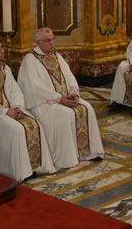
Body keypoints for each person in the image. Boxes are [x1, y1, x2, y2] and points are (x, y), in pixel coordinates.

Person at [0, 38, 55, 182]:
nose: (3, 51)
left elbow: (15, 91)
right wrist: (4, 112)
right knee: (18, 130)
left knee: (35, 124)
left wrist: (17, 107)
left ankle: (36, 167)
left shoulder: (5, 68)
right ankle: (21, 172)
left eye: (1, 48)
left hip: (11, 110)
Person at [17, 28, 104, 169]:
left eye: (53, 39)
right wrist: (59, 99)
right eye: (47, 40)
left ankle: (88, 152)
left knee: (87, 107)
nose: (52, 43)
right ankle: (68, 158)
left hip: (64, 98)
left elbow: (69, 76)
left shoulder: (56, 55)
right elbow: (34, 88)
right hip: (43, 103)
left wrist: (74, 93)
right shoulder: (30, 60)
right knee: (66, 114)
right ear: (38, 43)